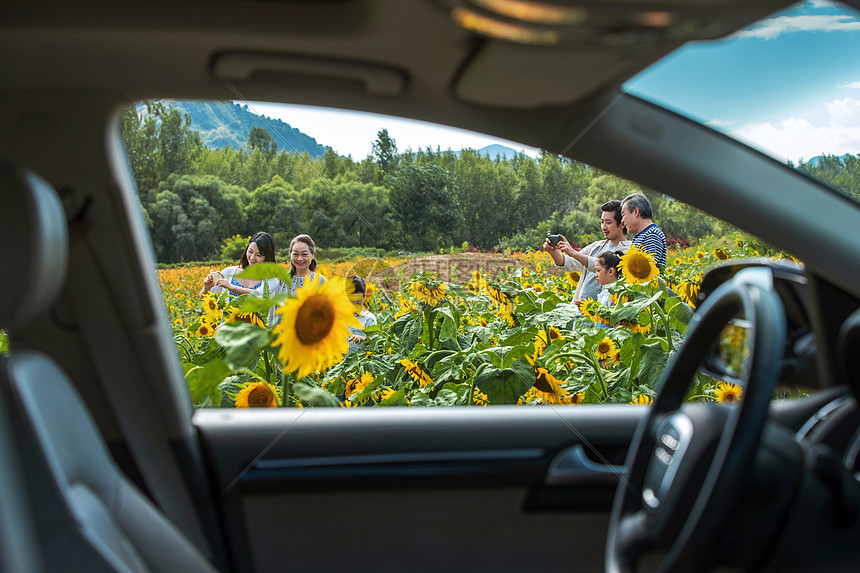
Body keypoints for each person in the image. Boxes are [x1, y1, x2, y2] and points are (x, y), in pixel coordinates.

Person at [543, 200, 631, 302]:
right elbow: (569, 263)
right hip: (581, 310)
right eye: (602, 222)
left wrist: (574, 253)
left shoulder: (628, 250)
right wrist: (553, 252)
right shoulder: (597, 246)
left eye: (608, 222)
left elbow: (605, 266)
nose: (604, 227)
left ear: (622, 224)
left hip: (603, 314)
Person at [268, 234, 328, 325]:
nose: (299, 259)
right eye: (295, 254)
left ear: (312, 255)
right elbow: (272, 316)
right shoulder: (281, 281)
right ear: (290, 255)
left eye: (304, 254)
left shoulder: (321, 282)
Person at [200, 231, 279, 299]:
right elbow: (203, 298)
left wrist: (231, 287)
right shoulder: (229, 272)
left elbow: (257, 294)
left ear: (267, 258)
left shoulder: (271, 280)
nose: (252, 258)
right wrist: (207, 287)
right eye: (250, 252)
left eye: (258, 255)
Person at [620, 192, 667, 270]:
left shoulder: (652, 235)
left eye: (623, 215)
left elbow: (648, 270)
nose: (622, 221)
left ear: (636, 211)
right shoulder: (643, 235)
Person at [345, 276, 377, 354]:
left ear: (364, 296)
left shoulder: (369, 318)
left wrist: (361, 338)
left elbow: (375, 342)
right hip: (339, 362)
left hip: (360, 362)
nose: (354, 300)